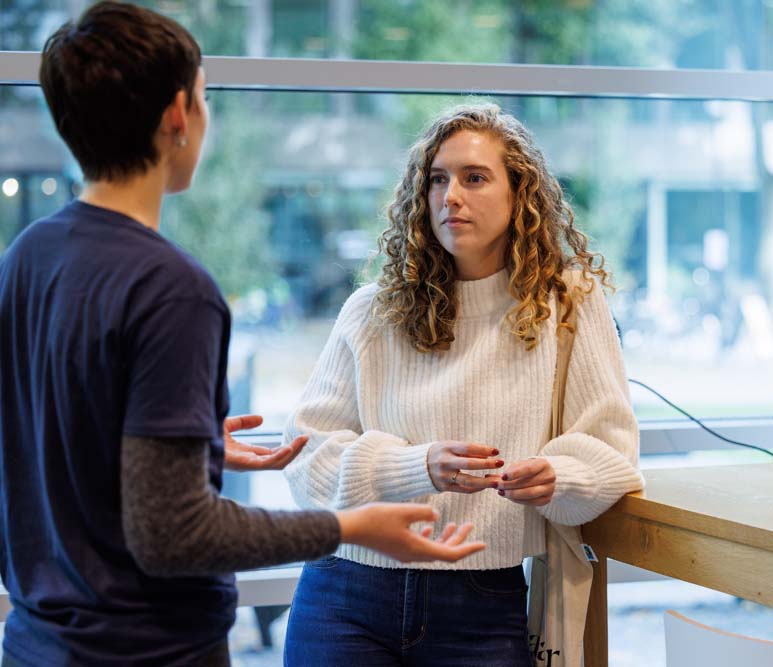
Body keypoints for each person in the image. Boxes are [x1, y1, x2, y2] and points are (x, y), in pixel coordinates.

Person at [0, 4, 483, 666]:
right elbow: (174, 534)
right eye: (205, 98)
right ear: (178, 114)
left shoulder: (26, 256)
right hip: (147, 651)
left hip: (36, 644)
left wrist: (182, 450)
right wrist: (347, 526)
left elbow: (46, 447)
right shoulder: (171, 288)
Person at [282, 103, 645, 666]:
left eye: (474, 178)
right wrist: (415, 467)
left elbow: (613, 452)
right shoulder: (372, 310)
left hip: (481, 602)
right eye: (437, 179)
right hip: (345, 593)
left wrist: (558, 478)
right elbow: (306, 460)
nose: (450, 196)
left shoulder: (568, 305)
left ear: (520, 194)